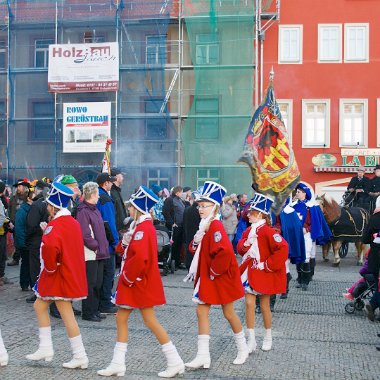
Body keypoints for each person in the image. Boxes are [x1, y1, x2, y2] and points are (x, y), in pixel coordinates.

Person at [98, 186, 184, 378]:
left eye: (131, 207)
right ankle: (117, 363)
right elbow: (124, 251)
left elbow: (140, 258)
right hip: (135, 281)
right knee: (122, 318)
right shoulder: (139, 227)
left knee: (150, 321)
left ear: (138, 208)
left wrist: (127, 278)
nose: (128, 209)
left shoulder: (144, 228)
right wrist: (125, 242)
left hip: (138, 282)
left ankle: (175, 361)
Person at [184, 181, 248, 369]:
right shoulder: (205, 225)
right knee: (201, 311)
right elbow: (197, 251)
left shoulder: (215, 226)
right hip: (210, 277)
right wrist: (196, 242)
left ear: (215, 207)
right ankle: (203, 355)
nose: (200, 209)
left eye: (204, 206)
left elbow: (225, 253)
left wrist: (213, 272)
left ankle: (242, 348)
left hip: (220, 278)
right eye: (199, 206)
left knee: (229, 313)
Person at [26, 182, 88, 369]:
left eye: (48, 204)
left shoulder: (56, 224)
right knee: (39, 305)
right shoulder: (73, 222)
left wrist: (51, 269)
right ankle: (46, 347)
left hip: (57, 275)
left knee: (66, 314)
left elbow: (51, 248)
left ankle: (79, 355)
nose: (47, 207)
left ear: (54, 205)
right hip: (66, 273)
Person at [237, 193, 288, 352]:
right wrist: (247, 242)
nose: (248, 215)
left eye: (251, 213)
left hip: (264, 272)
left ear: (260, 214)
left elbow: (283, 248)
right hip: (249, 272)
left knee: (265, 306)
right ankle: (251, 339)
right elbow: (240, 249)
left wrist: (267, 264)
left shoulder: (269, 232)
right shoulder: (248, 231)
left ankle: (268, 335)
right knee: (249, 303)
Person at [76, 182, 110, 322]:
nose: (98, 196)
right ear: (91, 195)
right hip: (90, 253)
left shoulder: (94, 209)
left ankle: (95, 310)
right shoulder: (83, 211)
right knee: (90, 284)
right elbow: (85, 234)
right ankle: (88, 312)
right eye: (97, 194)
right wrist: (95, 246)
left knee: (98, 283)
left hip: (99, 252)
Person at [291, 183, 331, 290]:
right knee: (297, 255)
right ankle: (300, 278)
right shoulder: (293, 205)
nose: (297, 193)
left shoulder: (312, 206)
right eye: (297, 192)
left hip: (306, 234)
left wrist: (307, 229)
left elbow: (316, 222)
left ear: (304, 193)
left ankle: (306, 281)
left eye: (299, 192)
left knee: (307, 256)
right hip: (296, 234)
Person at [96, 172, 119, 314]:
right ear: (106, 183)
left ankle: (101, 301)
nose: (111, 184)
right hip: (107, 244)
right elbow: (110, 223)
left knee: (100, 274)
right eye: (110, 182)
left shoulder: (97, 196)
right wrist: (116, 242)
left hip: (98, 242)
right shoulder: (105, 199)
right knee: (108, 274)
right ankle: (105, 303)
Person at [25, 179, 51, 303]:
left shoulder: (38, 204)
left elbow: (31, 224)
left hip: (36, 240)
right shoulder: (48, 203)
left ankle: (37, 292)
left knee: (35, 267)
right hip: (45, 239)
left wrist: (27, 237)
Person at [14, 184, 35, 291]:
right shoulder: (22, 211)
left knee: (30, 264)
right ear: (28, 198)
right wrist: (23, 243)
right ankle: (24, 284)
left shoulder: (32, 209)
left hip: (30, 242)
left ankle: (30, 284)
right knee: (26, 264)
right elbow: (19, 229)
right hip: (25, 243)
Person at [7, 178, 29, 266]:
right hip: (14, 223)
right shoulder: (13, 198)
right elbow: (9, 210)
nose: (18, 188)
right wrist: (9, 221)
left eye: (20, 186)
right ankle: (16, 259)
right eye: (18, 186)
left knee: (22, 242)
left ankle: (22, 258)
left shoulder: (28, 198)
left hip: (24, 224)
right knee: (17, 242)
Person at [162, 186, 186, 269]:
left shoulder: (180, 200)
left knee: (179, 245)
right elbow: (165, 212)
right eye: (181, 192)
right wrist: (171, 223)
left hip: (180, 225)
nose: (182, 194)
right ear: (177, 192)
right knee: (174, 245)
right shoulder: (170, 200)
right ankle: (172, 262)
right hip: (174, 226)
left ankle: (177, 262)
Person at [182, 190, 201, 270]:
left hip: (188, 231)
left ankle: (188, 265)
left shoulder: (187, 209)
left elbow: (184, 221)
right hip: (197, 232)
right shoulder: (199, 211)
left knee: (189, 249)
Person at [0, 180, 13, 287]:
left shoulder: (3, 199)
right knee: (2, 255)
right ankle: (1, 276)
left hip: (3, 231)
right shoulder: (1, 200)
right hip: (1, 232)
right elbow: (2, 216)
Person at [110, 168, 127, 234]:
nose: (123, 177)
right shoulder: (111, 192)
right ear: (116, 177)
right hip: (116, 231)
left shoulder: (116, 191)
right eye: (121, 175)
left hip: (120, 230)